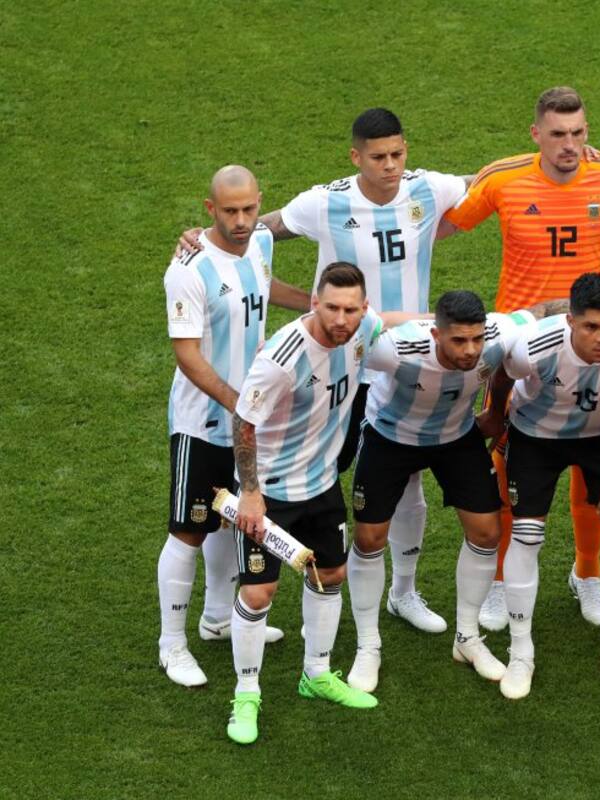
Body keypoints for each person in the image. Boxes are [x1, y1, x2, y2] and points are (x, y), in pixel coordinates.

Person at [178, 108, 463, 634]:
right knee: (315, 466)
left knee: (408, 476)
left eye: (397, 154)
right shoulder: (324, 202)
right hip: (340, 358)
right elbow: (261, 228)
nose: (390, 165)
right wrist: (207, 235)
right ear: (356, 157)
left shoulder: (430, 188)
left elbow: (488, 184)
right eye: (378, 157)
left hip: (402, 357)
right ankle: (252, 594)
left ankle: (403, 592)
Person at [442, 87, 600, 630]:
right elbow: (446, 223)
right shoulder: (503, 179)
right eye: (558, 134)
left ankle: (587, 574)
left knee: (592, 460)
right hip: (522, 346)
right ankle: (500, 581)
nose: (570, 145)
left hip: (590, 340)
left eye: (578, 133)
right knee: (509, 466)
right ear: (536, 134)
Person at [224, 262, 415, 745]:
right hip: (270, 493)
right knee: (259, 594)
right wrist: (251, 493)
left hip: (322, 484)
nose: (341, 319)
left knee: (330, 574)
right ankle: (246, 694)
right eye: (331, 308)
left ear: (363, 308)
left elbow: (393, 321)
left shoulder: (362, 330)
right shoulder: (282, 357)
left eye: (351, 309)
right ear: (314, 302)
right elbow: (243, 422)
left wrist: (448, 322)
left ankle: (317, 674)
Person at [344, 290, 562, 692]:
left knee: (487, 532)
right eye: (459, 340)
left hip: (456, 437)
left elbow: (543, 310)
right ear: (436, 333)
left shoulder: (498, 335)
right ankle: (367, 645)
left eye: (477, 339)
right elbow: (349, 329)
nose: (471, 350)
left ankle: (467, 638)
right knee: (369, 538)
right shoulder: (396, 349)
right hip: (390, 438)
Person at [158, 165, 310, 688]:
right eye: (229, 211)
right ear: (210, 209)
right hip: (202, 422)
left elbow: (261, 288)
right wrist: (236, 403)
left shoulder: (261, 240)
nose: (241, 220)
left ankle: (218, 618)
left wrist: (314, 305)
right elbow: (187, 354)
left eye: (249, 209)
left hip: (250, 417)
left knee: (231, 516)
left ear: (259, 202)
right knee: (189, 529)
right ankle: (171, 644)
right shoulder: (189, 268)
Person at [486, 274, 600, 699]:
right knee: (527, 537)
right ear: (570, 321)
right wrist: (493, 417)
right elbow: (503, 377)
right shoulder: (535, 345)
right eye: (591, 327)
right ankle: (521, 652)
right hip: (535, 437)